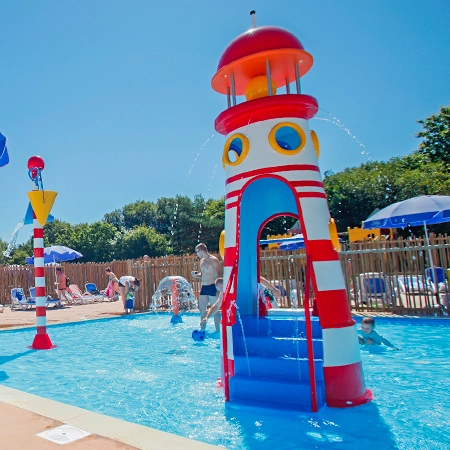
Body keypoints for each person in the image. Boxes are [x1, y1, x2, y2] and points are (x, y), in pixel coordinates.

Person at [191, 243, 223, 332]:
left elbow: (219, 274)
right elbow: (204, 274)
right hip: (204, 287)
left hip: (213, 286)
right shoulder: (202, 262)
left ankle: (218, 330)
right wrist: (197, 275)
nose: (197, 254)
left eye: (197, 252)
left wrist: (218, 289)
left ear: (201, 251)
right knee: (202, 309)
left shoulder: (213, 260)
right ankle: (203, 329)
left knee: (215, 310)